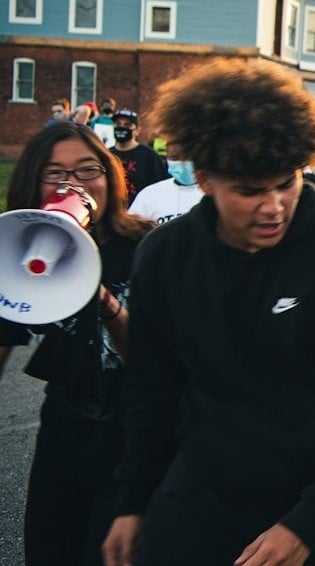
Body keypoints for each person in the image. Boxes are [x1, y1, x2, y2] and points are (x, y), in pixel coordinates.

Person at [101, 59, 315, 566]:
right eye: (250, 190)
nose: (274, 206)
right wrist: (132, 502)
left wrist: (306, 527)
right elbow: (152, 391)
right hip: (204, 499)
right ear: (207, 179)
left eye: (286, 182)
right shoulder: (165, 257)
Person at [0, 122, 152, 565]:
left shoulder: (146, 245)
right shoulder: (20, 246)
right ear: (33, 180)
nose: (72, 184)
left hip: (132, 435)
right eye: (55, 174)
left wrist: (102, 300)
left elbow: (150, 361)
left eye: (88, 170)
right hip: (65, 427)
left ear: (110, 176)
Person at [128, 143, 202, 225]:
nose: (181, 162)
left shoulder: (213, 193)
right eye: (175, 158)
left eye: (187, 158)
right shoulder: (149, 194)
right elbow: (132, 230)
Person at [108, 109, 170, 205]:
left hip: (140, 212)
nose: (121, 128)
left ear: (137, 130)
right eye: (118, 124)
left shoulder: (149, 155)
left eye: (127, 125)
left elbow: (160, 186)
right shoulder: (106, 155)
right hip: (113, 211)